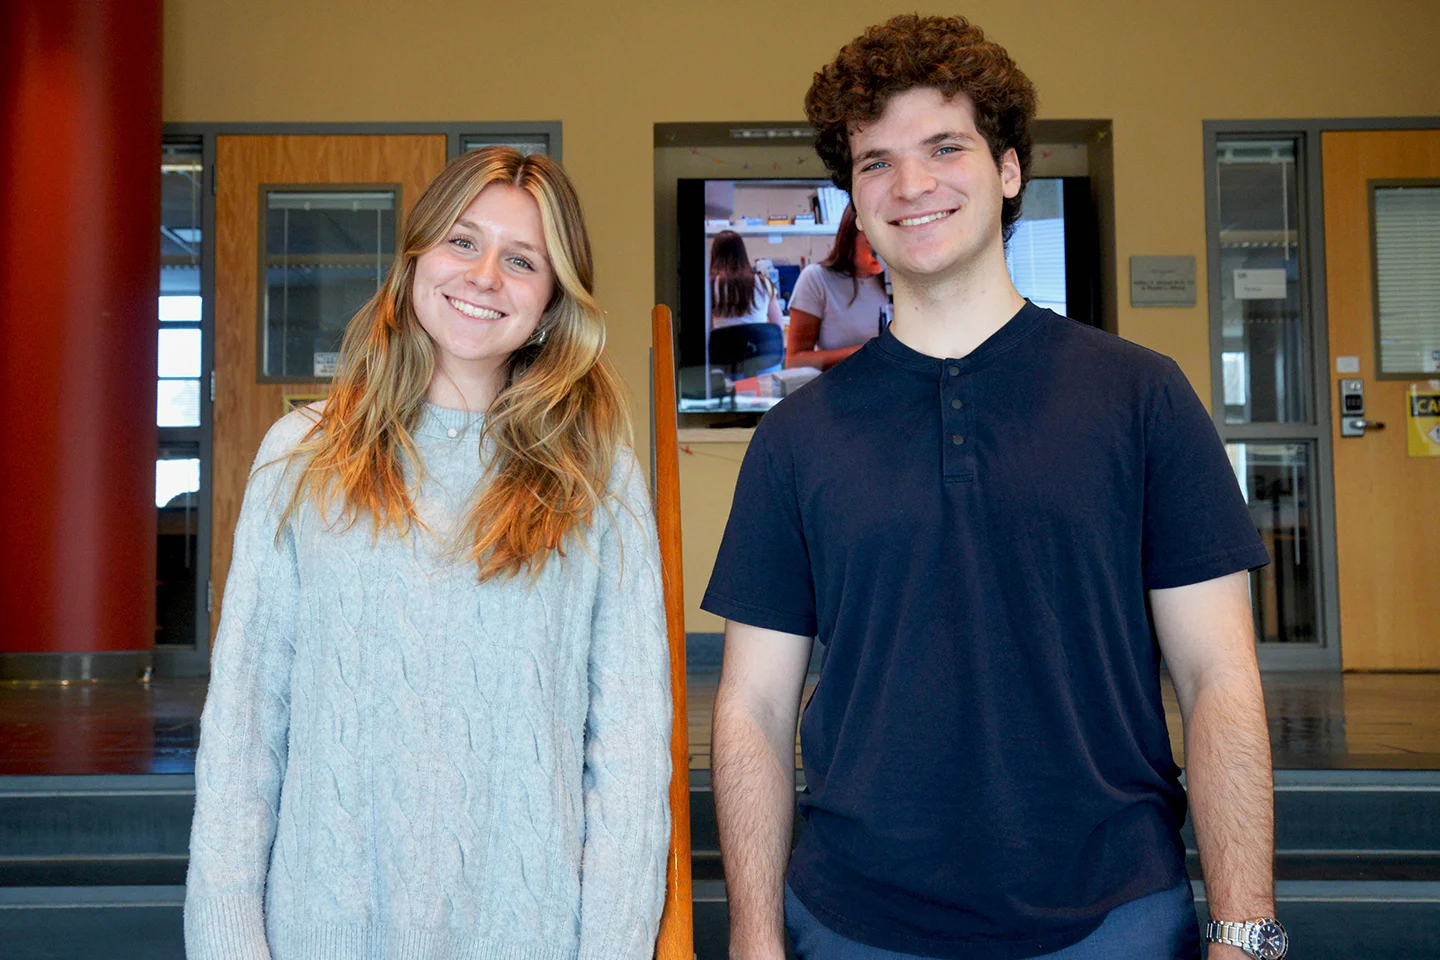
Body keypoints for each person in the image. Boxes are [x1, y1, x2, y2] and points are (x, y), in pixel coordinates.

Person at [706, 14, 1286, 960]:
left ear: (1010, 168)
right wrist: (757, 940)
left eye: (945, 147)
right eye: (875, 162)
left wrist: (1244, 925)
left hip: (1116, 915)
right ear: (853, 194)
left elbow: (1219, 680)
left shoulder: (1141, 396)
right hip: (853, 922)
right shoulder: (794, 438)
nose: (911, 185)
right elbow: (753, 709)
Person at [184, 147, 673, 959]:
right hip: (318, 935)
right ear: (415, 259)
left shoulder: (598, 477)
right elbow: (242, 731)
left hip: (530, 939)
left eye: (522, 260)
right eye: (461, 241)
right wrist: (228, 942)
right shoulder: (299, 456)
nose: (484, 275)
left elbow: (627, 751)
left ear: (552, 304)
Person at [785, 204, 889, 370]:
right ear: (850, 239)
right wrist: (866, 354)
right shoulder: (817, 279)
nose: (884, 253)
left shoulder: (898, 280)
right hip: (840, 388)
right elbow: (795, 361)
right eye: (872, 244)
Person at [710, 229, 784, 330]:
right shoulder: (763, 283)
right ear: (743, 254)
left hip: (721, 346)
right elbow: (778, 327)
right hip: (757, 345)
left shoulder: (709, 285)